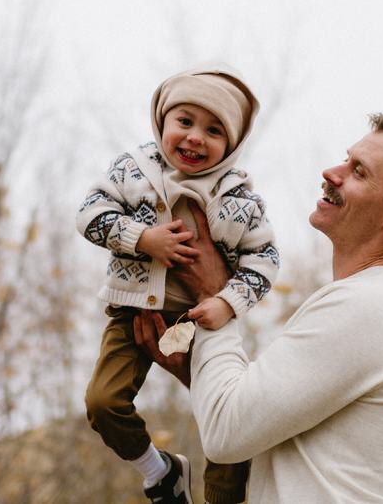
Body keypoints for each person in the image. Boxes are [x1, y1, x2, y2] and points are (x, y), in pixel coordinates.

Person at [135, 112, 383, 503]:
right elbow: (261, 434)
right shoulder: (372, 304)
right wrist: (203, 375)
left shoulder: (370, 306)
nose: (331, 172)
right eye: (346, 159)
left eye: (359, 171)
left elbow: (226, 435)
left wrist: (215, 296)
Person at [77, 65, 280, 504]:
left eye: (213, 130)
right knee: (103, 402)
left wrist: (227, 303)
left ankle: (221, 498)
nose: (195, 138)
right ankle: (160, 472)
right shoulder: (133, 170)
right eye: (185, 121)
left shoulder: (239, 198)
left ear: (231, 144)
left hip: (203, 321)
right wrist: (142, 238)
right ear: (162, 120)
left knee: (230, 415)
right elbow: (89, 214)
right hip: (134, 309)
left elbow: (265, 261)